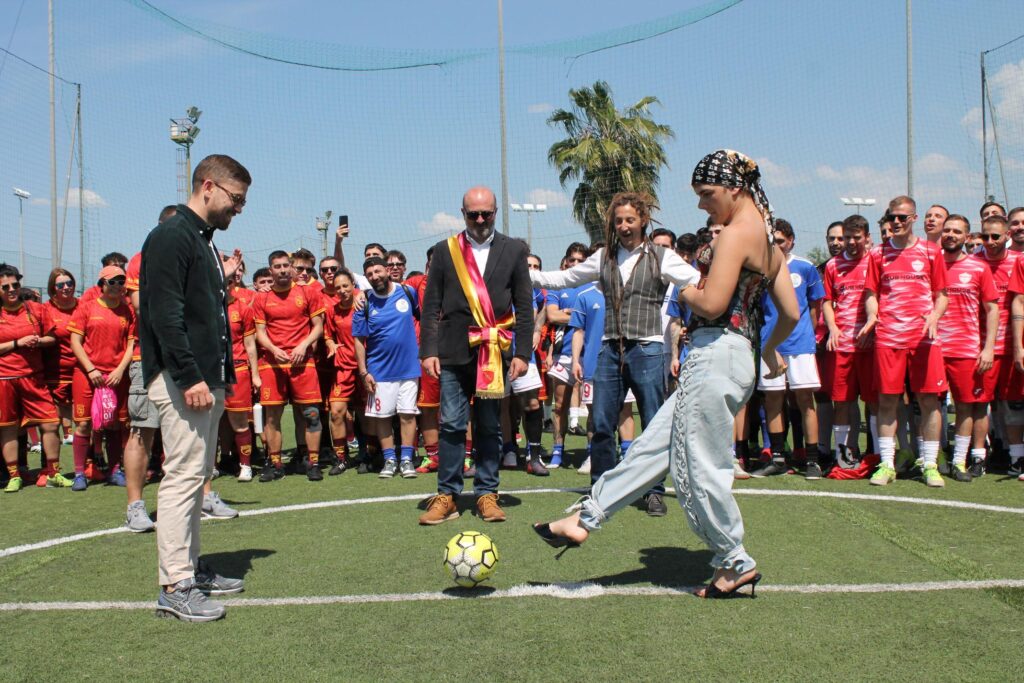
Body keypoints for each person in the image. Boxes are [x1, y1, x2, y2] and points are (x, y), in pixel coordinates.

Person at [533, 150, 799, 598]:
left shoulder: (736, 234)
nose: (702, 204)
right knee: (653, 446)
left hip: (715, 355)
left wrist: (683, 288)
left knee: (699, 468)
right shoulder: (768, 240)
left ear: (734, 188)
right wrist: (770, 349)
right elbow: (789, 312)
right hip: (734, 356)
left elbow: (711, 304)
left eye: (707, 194)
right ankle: (585, 517)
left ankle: (734, 560)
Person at [530, 191, 700, 517]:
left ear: (643, 220)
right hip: (609, 349)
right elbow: (564, 278)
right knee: (602, 422)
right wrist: (526, 275)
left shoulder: (662, 256)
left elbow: (695, 280)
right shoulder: (603, 256)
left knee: (652, 424)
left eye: (630, 220)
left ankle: (653, 491)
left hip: (648, 348)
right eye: (618, 220)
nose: (623, 226)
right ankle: (600, 491)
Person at [140, 153, 249, 621]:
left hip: (205, 378)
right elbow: (165, 316)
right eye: (235, 199)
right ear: (208, 186)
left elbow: (199, 311)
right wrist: (189, 377)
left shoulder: (200, 240)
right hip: (185, 380)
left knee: (196, 478)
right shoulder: (172, 236)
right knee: (183, 478)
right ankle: (175, 585)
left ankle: (191, 570)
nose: (238, 209)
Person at [417, 186, 534, 525]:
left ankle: (486, 493)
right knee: (452, 424)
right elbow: (431, 306)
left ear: (495, 212)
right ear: (463, 213)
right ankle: (448, 495)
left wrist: (522, 352)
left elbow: (524, 305)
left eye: (486, 214)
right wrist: (428, 350)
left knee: (489, 426)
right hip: (453, 352)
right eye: (473, 214)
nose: (480, 220)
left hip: (494, 353)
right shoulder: (446, 250)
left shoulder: (514, 249)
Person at [862, 196, 948, 487]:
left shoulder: (931, 251)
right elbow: (871, 293)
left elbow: (942, 295)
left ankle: (930, 465)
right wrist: (872, 315)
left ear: (914, 218)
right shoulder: (877, 253)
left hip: (924, 339)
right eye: (891, 217)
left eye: (902, 217)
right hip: (889, 337)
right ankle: (887, 465)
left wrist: (934, 316)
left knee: (928, 400)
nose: (896, 222)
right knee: (887, 400)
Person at [750, 219, 825, 479]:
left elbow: (815, 308)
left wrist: (806, 336)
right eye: (772, 241)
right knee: (773, 400)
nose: (777, 245)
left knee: (804, 400)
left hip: (800, 345)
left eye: (781, 241)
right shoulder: (759, 269)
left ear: (791, 241)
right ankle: (778, 458)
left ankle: (812, 461)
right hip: (770, 345)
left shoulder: (805, 267)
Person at [253, 250, 326, 482]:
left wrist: (303, 345)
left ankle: (313, 463)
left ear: (292, 268)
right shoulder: (261, 298)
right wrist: (273, 349)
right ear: (271, 270)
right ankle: (275, 464)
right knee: (272, 417)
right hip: (272, 365)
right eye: (278, 266)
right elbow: (260, 332)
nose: (283, 270)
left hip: (303, 364)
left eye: (286, 265)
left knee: (311, 414)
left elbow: (318, 326)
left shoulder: (307, 293)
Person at [936, 215, 997, 482]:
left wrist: (988, 347)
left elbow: (992, 309)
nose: (951, 235)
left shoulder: (979, 268)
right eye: (947, 230)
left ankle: (959, 462)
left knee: (965, 407)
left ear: (967, 237)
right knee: (928, 406)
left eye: (957, 231)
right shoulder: (931, 263)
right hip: (933, 348)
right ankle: (933, 459)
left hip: (966, 349)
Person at [0, 264, 70, 492]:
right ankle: (14, 475)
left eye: (15, 284)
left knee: (51, 423)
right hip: (5, 380)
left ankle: (53, 472)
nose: (12, 289)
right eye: (5, 287)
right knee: (8, 428)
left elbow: (52, 337)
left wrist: (38, 341)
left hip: (34, 378)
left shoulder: (36, 310)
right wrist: (17, 343)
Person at [352, 256, 421, 479]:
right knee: (382, 418)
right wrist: (363, 372)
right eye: (370, 274)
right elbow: (358, 340)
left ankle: (407, 459)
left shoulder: (408, 292)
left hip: (409, 369)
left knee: (407, 415)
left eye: (378, 271)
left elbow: (423, 319)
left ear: (387, 270)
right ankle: (390, 459)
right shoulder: (363, 302)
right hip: (379, 372)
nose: (375, 276)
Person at [68, 265, 135, 491]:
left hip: (116, 377)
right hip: (87, 375)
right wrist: (91, 370)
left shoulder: (128, 311)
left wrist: (119, 370)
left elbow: (131, 344)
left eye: (121, 281)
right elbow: (75, 342)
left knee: (114, 424)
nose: (117, 286)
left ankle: (114, 470)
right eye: (112, 282)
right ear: (102, 284)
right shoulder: (86, 308)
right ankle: (79, 473)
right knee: (84, 424)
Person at [822, 215, 878, 469]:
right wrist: (833, 327)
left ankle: (876, 453)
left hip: (870, 345)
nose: (851, 242)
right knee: (842, 401)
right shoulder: (833, 265)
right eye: (847, 238)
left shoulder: (875, 261)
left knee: (874, 402)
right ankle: (843, 455)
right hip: (843, 345)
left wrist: (874, 329)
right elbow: (827, 301)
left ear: (867, 237)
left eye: (857, 237)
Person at [976, 214, 1019, 476]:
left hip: (1012, 346)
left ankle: (1015, 456)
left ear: (1007, 236)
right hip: (980, 346)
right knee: (980, 403)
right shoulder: (973, 262)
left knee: (1012, 403)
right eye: (985, 236)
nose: (990, 241)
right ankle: (980, 456)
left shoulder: (1018, 261)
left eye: (996, 236)